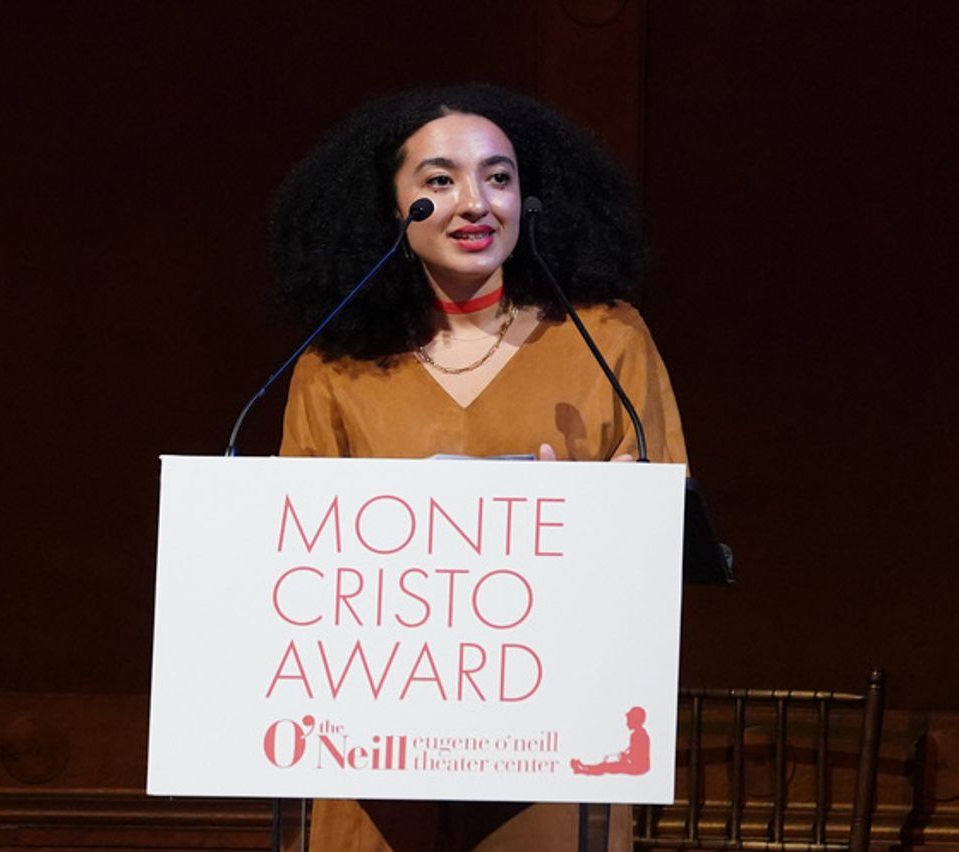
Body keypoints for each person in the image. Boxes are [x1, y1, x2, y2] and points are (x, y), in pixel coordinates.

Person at [273, 84, 687, 852]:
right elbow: (295, 561)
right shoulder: (335, 365)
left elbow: (665, 533)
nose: (476, 203)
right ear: (388, 207)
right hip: (376, 757)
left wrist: (613, 518)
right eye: (439, 180)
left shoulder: (606, 339)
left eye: (499, 177)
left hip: (555, 749)